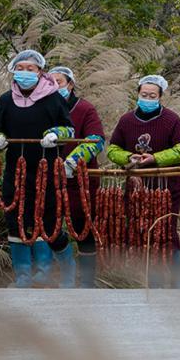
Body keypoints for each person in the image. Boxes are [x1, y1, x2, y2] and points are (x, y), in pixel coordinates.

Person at [0, 50, 76, 288]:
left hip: (46, 169)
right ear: (13, 71)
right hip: (15, 170)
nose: (25, 73)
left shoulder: (54, 98)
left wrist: (55, 134)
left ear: (40, 72)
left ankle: (67, 271)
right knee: (15, 219)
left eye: (31, 69)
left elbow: (69, 130)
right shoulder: (5, 101)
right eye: (21, 68)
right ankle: (23, 277)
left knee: (49, 223)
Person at [107, 74, 180, 287]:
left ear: (160, 97)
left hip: (167, 188)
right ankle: (151, 283)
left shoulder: (171, 120)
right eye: (144, 94)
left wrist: (156, 158)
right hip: (136, 187)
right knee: (140, 231)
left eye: (152, 95)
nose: (148, 98)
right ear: (137, 94)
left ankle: (176, 283)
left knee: (166, 232)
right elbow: (113, 149)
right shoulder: (126, 120)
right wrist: (128, 158)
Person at [47, 65, 106, 288]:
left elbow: (96, 139)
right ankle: (66, 271)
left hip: (81, 179)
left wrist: (73, 160)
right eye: (50, 82)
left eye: (59, 82)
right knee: (48, 225)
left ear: (70, 85)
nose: (55, 87)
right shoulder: (43, 107)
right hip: (49, 178)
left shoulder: (85, 109)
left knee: (82, 227)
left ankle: (88, 281)